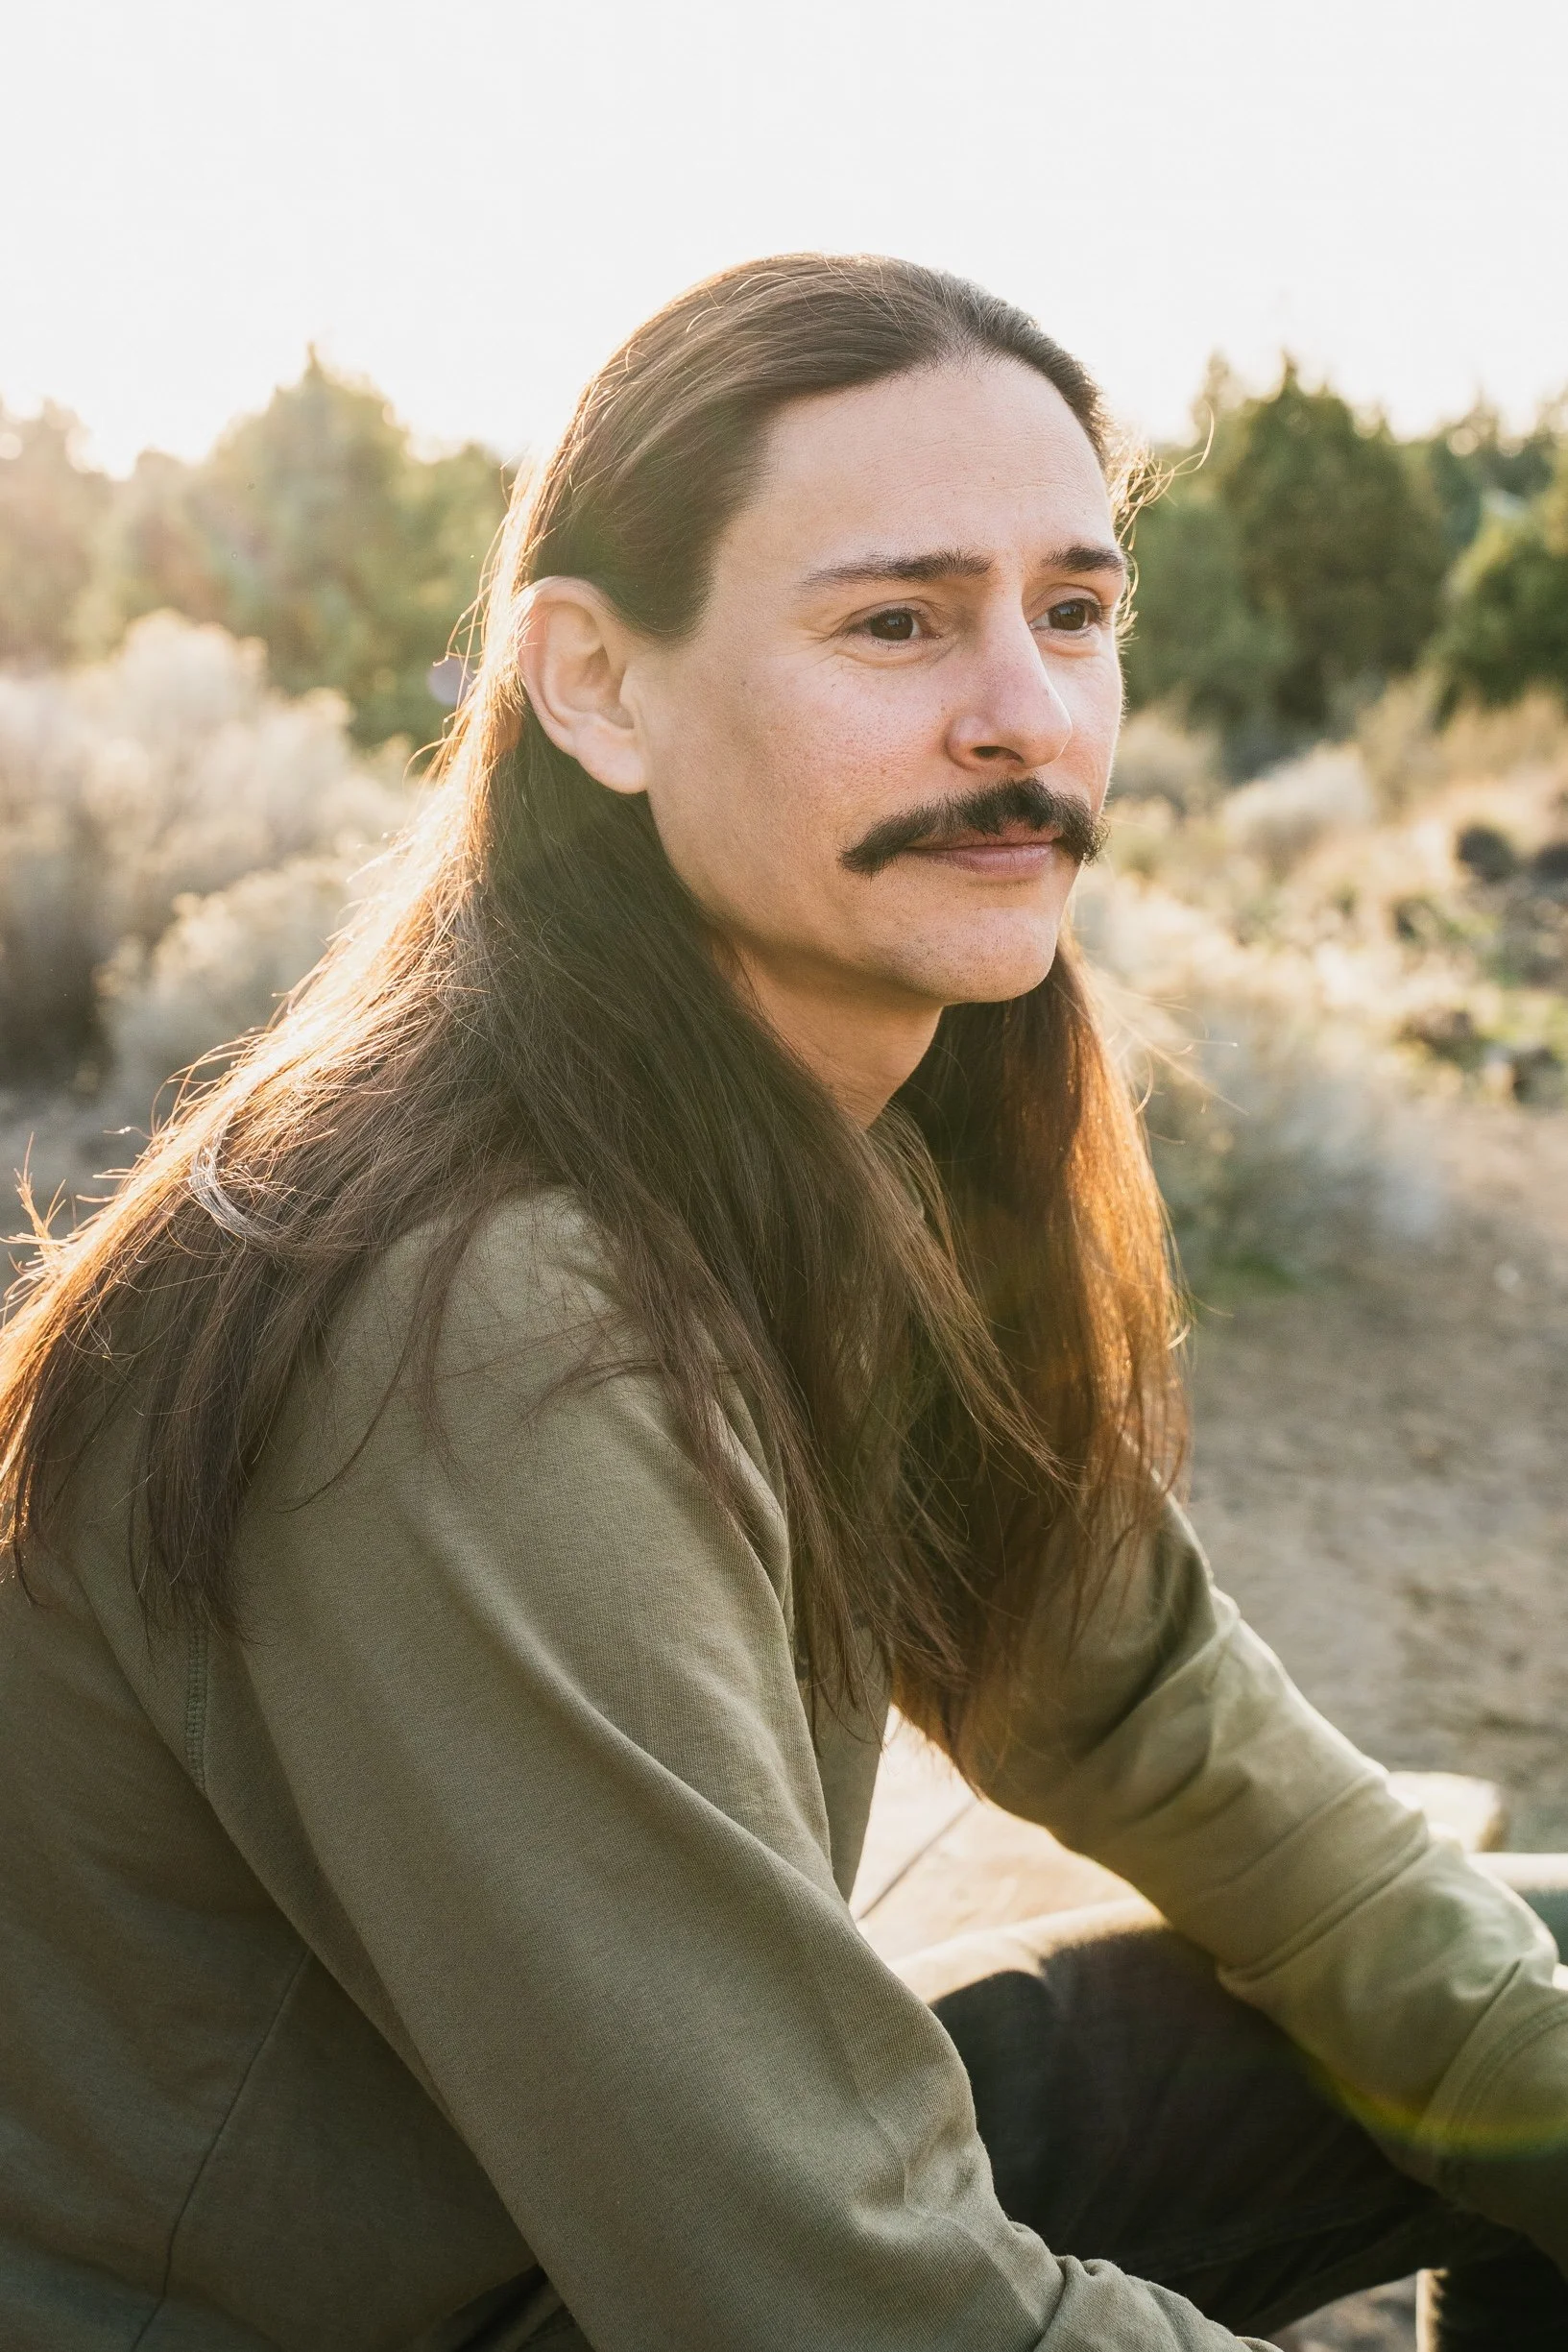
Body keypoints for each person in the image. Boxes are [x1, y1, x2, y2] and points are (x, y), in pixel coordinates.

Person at [0, 255, 1564, 2352]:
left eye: (1075, 612)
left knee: (1516, 1992)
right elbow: (829, 2297)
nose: (1024, 710)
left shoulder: (875, 1122)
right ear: (595, 685)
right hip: (404, 2315)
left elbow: (1136, 1708)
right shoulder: (477, 1315)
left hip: (599, 2236)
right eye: (897, 621)